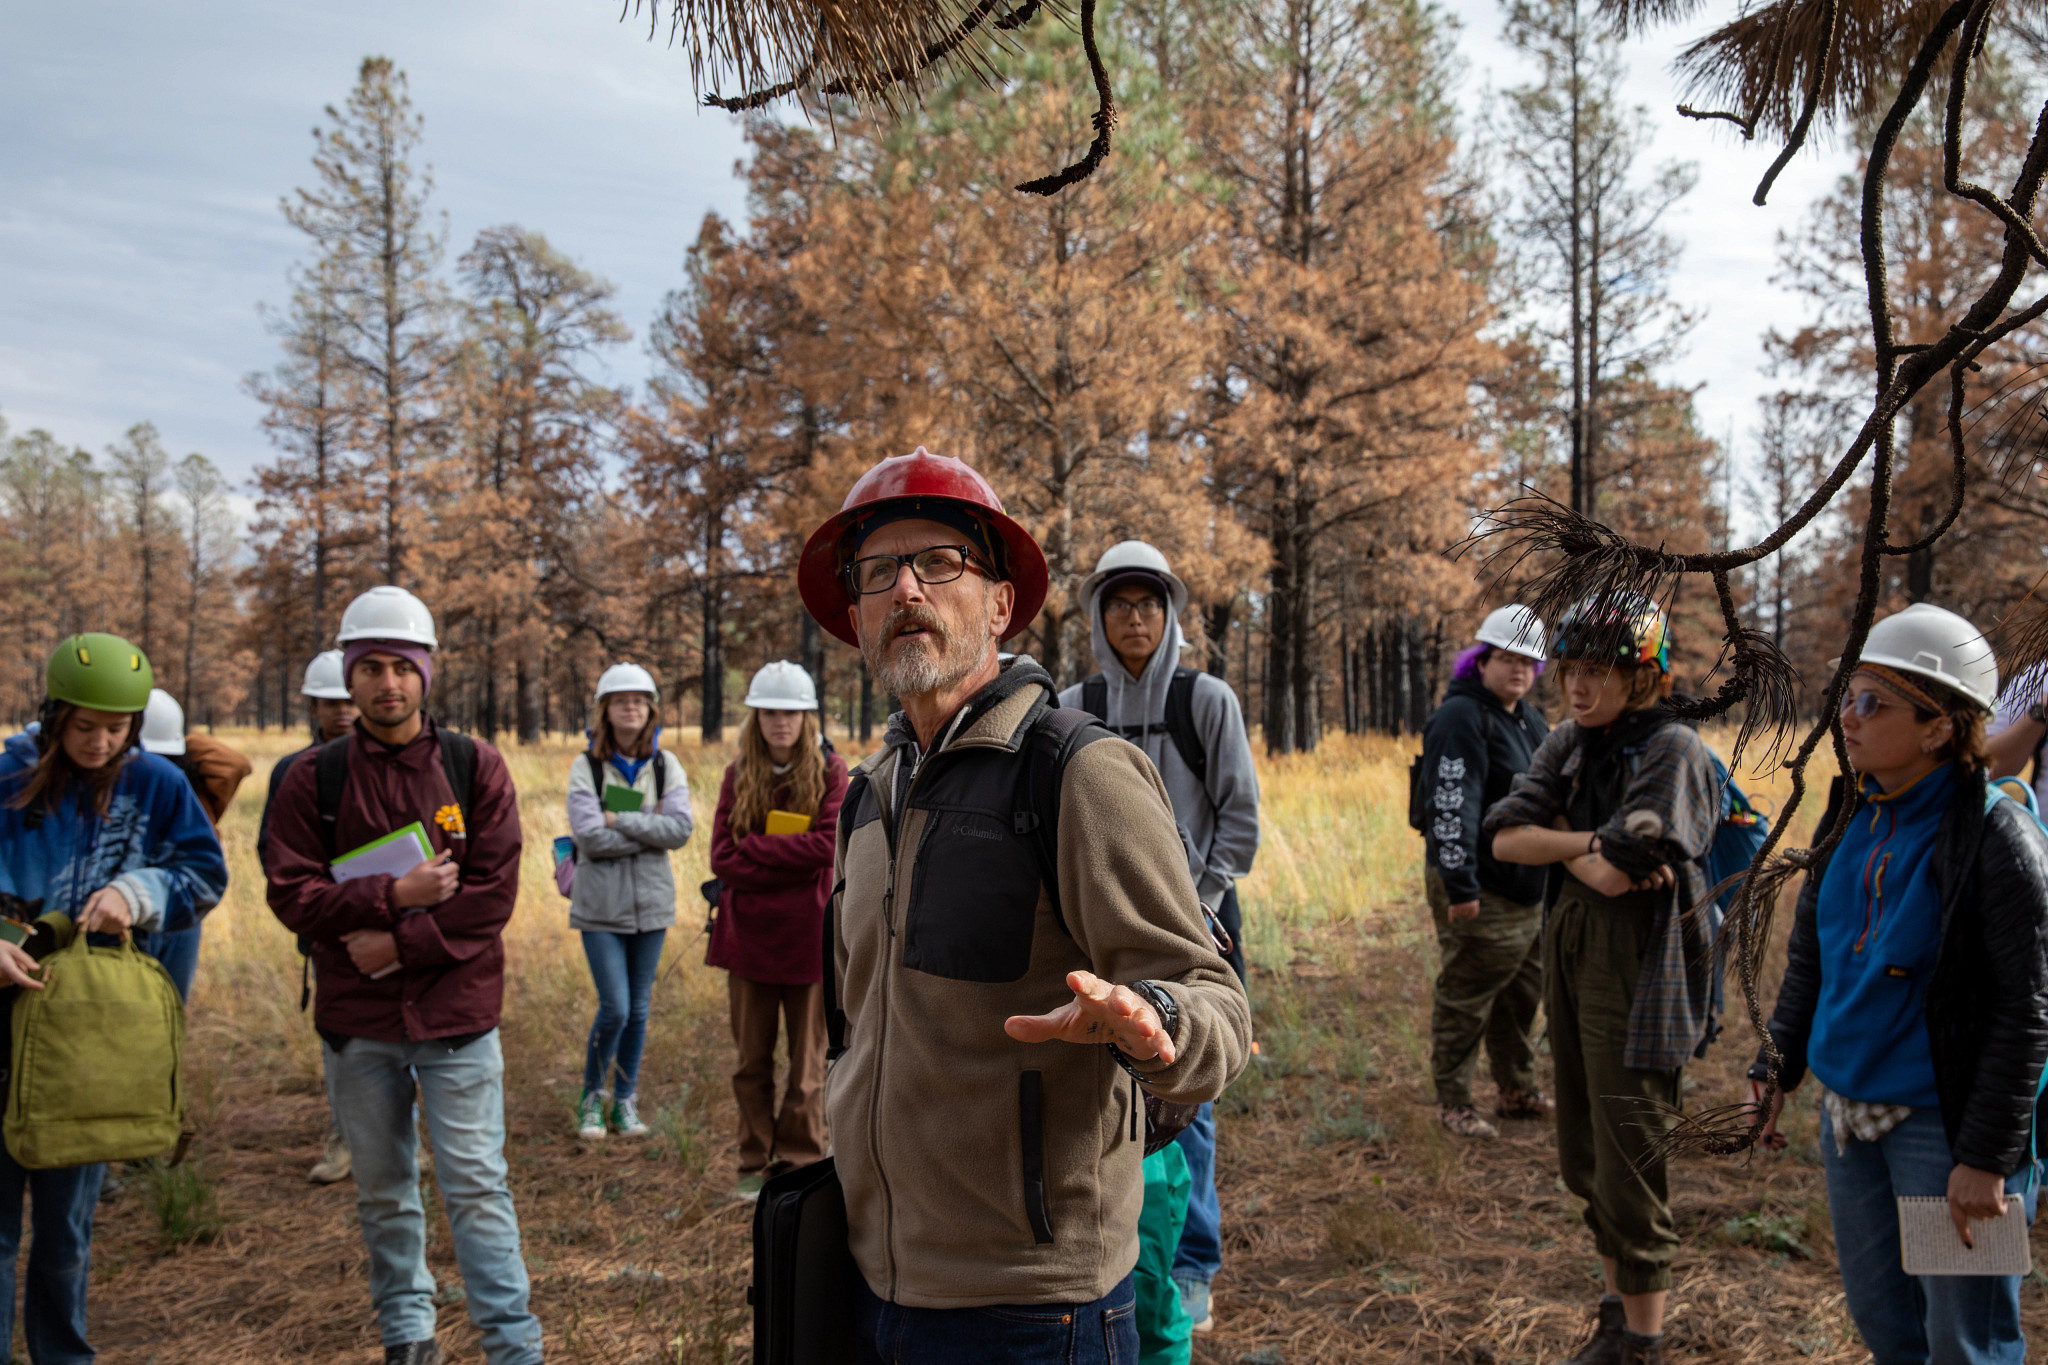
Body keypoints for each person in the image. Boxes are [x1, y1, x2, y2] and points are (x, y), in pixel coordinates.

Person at [794, 446, 1251, 1364]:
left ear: (1000, 603)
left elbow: (1214, 1001)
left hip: (1034, 1311)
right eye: (879, 571)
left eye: (939, 562)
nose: (907, 588)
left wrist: (1152, 1019)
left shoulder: (1077, 771)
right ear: (855, 615)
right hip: (872, 1279)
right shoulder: (869, 794)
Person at [1749, 603, 2048, 1365]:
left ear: (1940, 726)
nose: (1848, 717)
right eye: (1847, 695)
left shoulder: (1996, 836)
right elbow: (1815, 953)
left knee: (1967, 1341)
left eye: (1873, 702)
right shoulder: (1848, 810)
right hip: (1849, 1123)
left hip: (1946, 1134)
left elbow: (2027, 1012)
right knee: (1887, 1327)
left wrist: (1986, 1154)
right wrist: (1777, 1062)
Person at [264, 586, 542, 1365]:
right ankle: (407, 1336)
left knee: (477, 1188)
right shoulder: (309, 780)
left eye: (402, 667)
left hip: (456, 1019)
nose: (388, 683)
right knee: (385, 1194)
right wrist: (394, 894)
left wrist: (399, 942)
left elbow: (493, 895)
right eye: (372, 667)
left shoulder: (474, 766)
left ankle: (513, 1346)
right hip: (359, 1027)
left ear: (427, 673)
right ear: (348, 679)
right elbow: (290, 892)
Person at [1482, 593, 1719, 1365]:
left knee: (1631, 1153)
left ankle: (1643, 1344)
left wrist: (1573, 849)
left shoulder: (1674, 749)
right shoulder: (1569, 742)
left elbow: (1623, 875)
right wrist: (1587, 840)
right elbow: (1504, 837)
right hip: (1573, 954)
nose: (1577, 688)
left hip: (1644, 971)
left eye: (1599, 672)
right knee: (1583, 1152)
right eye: (1571, 670)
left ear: (1644, 674)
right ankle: (1614, 1320)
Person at [0, 634, 226, 1365]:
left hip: (86, 1031)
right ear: (54, 713)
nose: (101, 743)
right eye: (84, 725)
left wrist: (141, 890)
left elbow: (202, 870)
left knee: (68, 1224)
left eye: (117, 728)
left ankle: (63, 1354)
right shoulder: (7, 775)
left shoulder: (156, 783)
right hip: (3, 1021)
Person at [1058, 540, 1261, 1336]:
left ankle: (1190, 1264)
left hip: (1200, 925)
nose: (1134, 617)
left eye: (1148, 603)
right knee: (1104, 1083)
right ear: (1099, 617)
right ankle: (1114, 1246)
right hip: (1098, 931)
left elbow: (1239, 816)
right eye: (1119, 604)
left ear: (1170, 614)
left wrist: (1197, 902)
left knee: (1191, 1089)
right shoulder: (1076, 703)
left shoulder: (1205, 699)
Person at [706, 660, 847, 1200]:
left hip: (808, 941)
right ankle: (751, 1157)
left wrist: (757, 847)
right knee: (751, 1061)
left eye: (789, 712)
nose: (780, 721)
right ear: (756, 718)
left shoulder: (831, 773)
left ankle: (799, 1159)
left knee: (808, 1067)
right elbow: (723, 859)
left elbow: (826, 847)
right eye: (769, 712)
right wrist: (784, 859)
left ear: (806, 717)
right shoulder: (738, 774)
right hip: (748, 941)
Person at [1416, 606, 1552, 1140]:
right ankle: (1454, 1100)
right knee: (1468, 993)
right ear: (1481, 660)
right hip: (1478, 886)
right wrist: (1461, 884)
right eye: (1507, 657)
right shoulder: (1462, 717)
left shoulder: (1528, 719)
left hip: (1525, 887)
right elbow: (1450, 805)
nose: (1518, 669)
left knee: (1522, 992)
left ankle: (1516, 1089)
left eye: (1528, 661)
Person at [566, 663, 694, 1142]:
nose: (631, 708)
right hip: (600, 906)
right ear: (606, 710)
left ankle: (624, 1101)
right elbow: (589, 837)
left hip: (652, 905)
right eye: (621, 701)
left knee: (639, 1009)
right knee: (615, 1007)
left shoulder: (666, 765)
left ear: (650, 709)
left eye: (639, 701)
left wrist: (619, 819)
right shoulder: (586, 766)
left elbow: (680, 830)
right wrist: (647, 825)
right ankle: (591, 1098)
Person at [259, 649, 363, 1185]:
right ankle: (345, 1135)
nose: (342, 712)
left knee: (406, 1035)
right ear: (313, 707)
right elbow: (273, 854)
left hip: (396, 927)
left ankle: (402, 1135)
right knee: (340, 1038)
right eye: (330, 702)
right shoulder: (295, 771)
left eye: (348, 701)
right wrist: (316, 912)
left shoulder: (388, 762)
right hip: (329, 931)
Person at [138, 686, 252, 1000]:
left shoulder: (190, 794)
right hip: (123, 917)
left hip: (178, 915)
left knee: (169, 1007)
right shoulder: (111, 794)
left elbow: (234, 763)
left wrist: (183, 743)